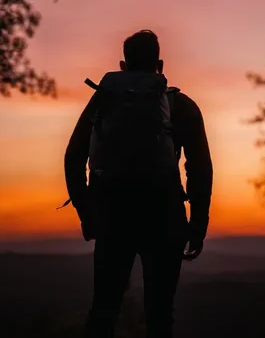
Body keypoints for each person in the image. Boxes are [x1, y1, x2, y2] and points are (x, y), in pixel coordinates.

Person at [64, 29, 213, 338]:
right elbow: (199, 168)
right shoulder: (181, 106)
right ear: (160, 65)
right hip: (165, 217)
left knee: (103, 310)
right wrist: (198, 223)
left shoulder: (102, 104)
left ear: (122, 65)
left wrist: (86, 213)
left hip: (112, 216)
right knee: (160, 316)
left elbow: (72, 158)